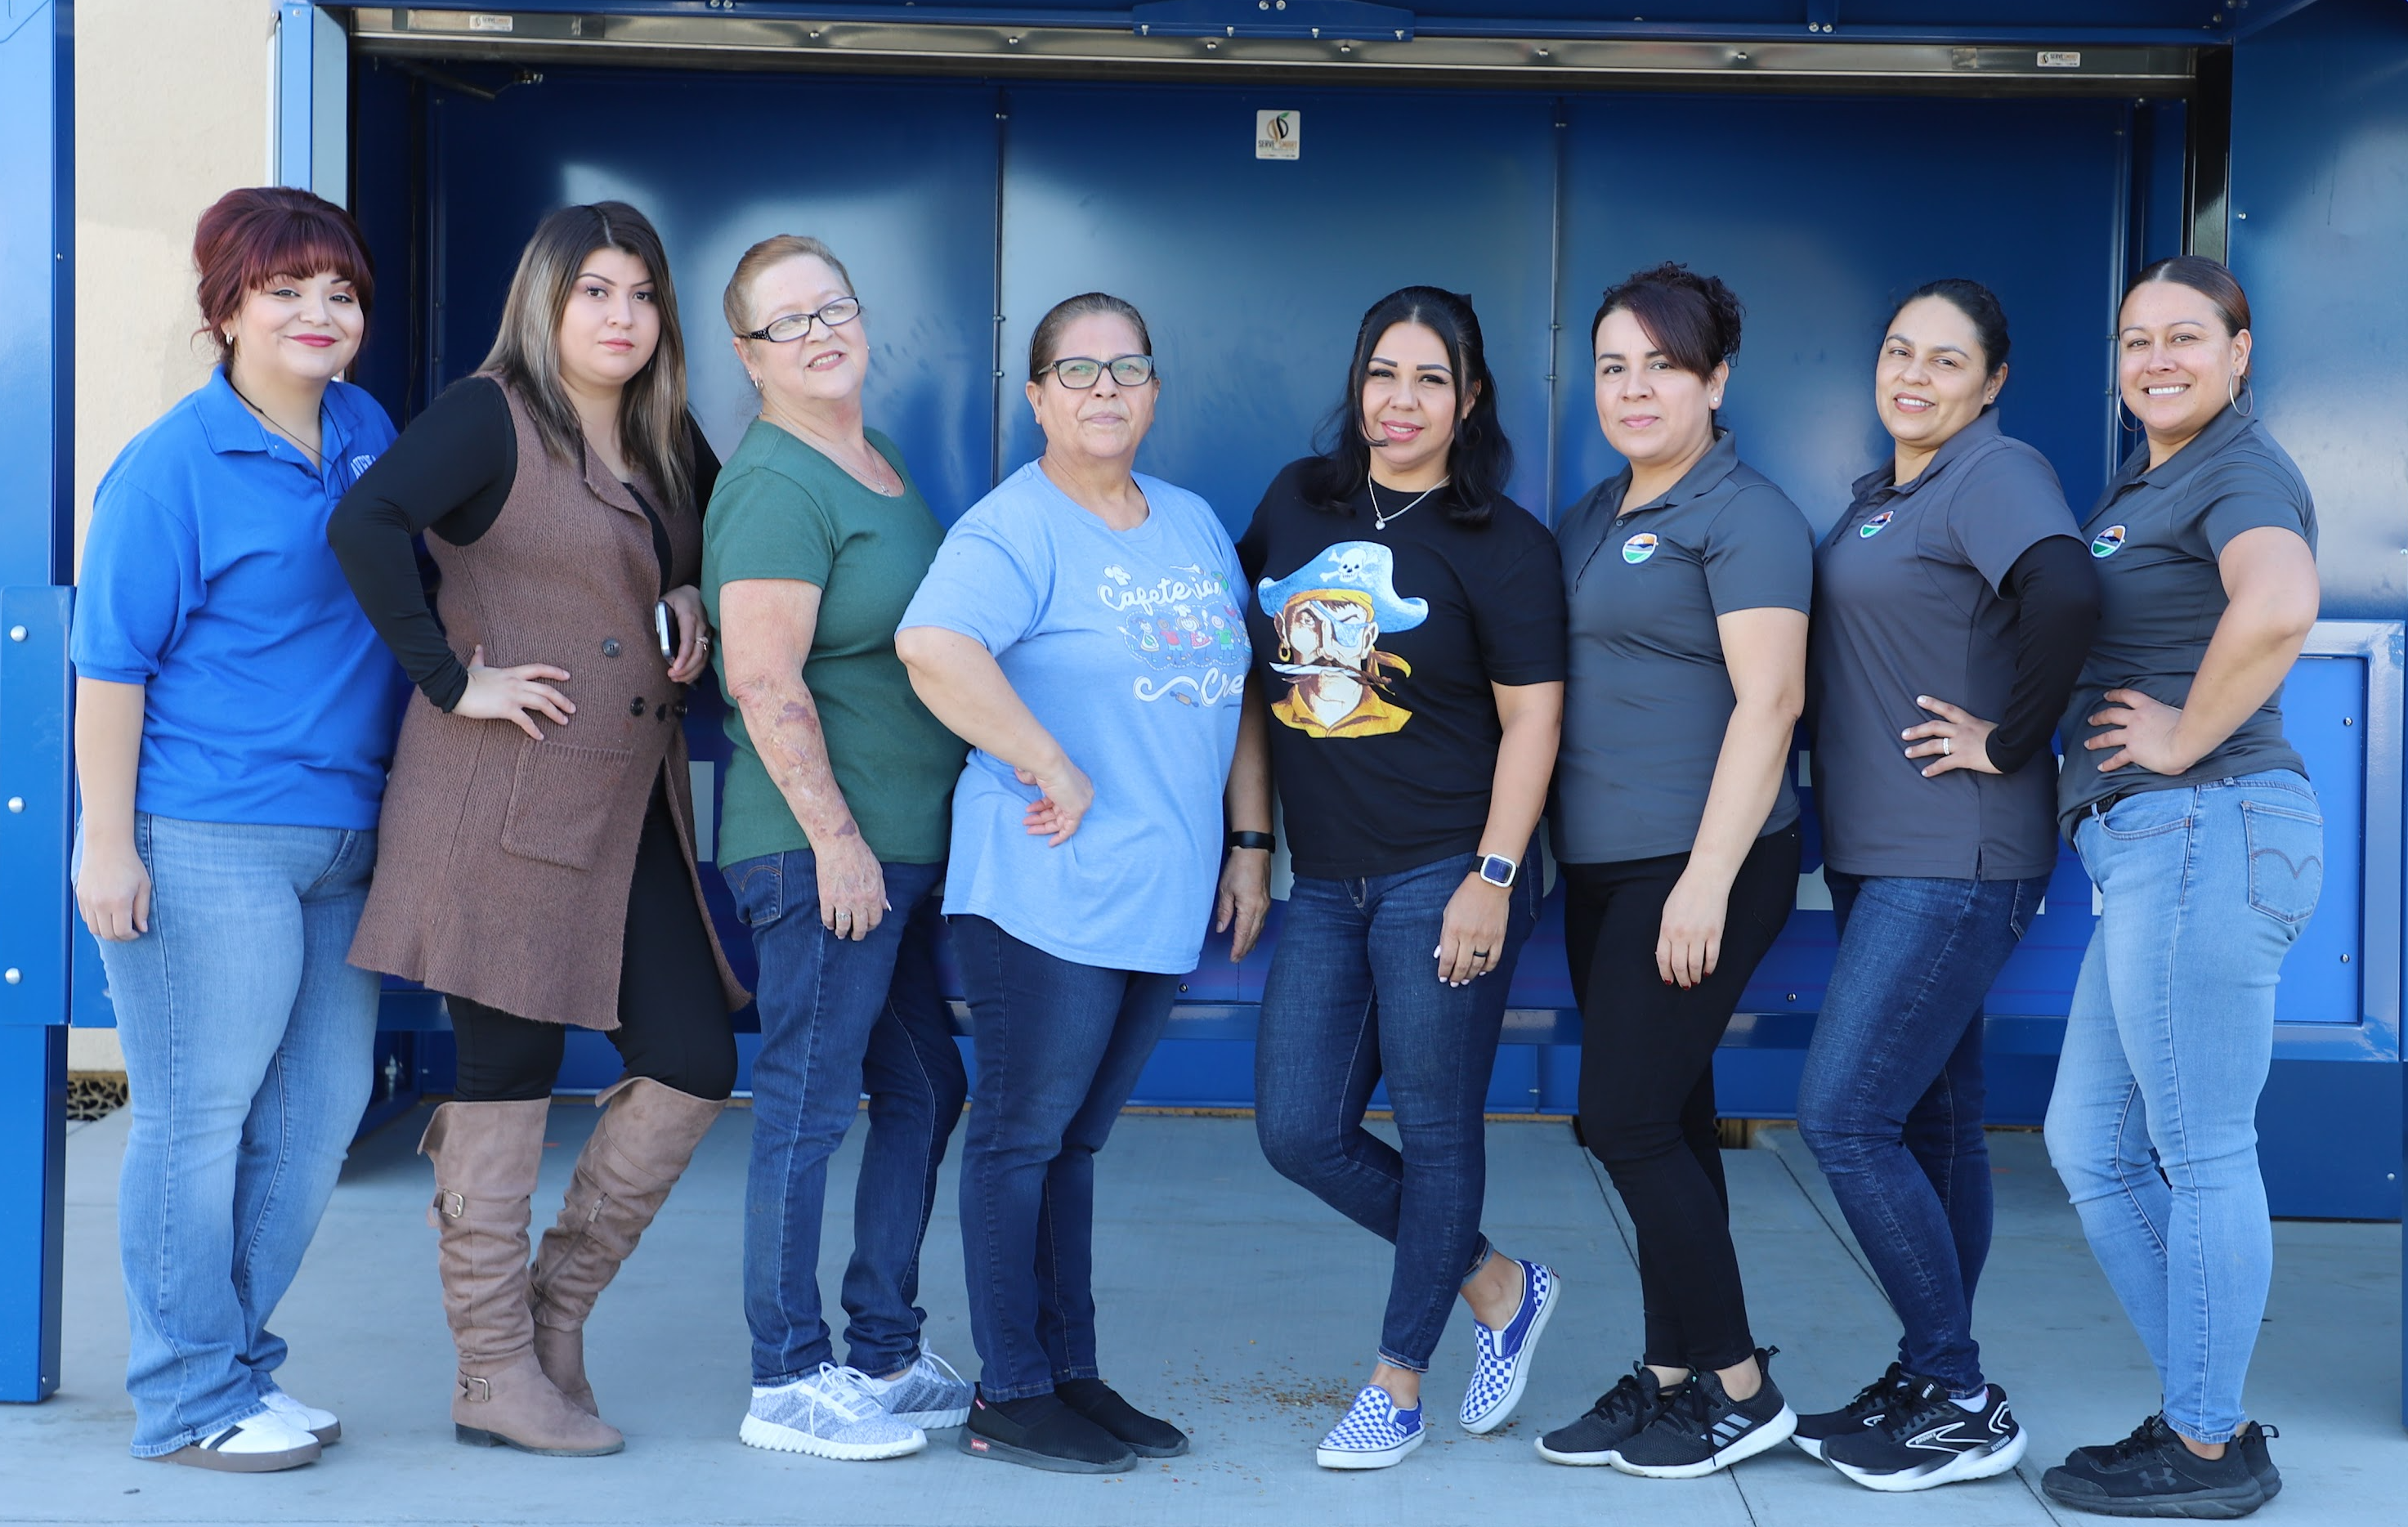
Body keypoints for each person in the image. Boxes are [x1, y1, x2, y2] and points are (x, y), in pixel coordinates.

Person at [329, 201, 747, 1458]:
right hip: (497, 804)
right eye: (594, 294)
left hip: (629, 809)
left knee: (692, 1059)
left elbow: (718, 552)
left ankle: (550, 1320)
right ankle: (491, 1375)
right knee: (506, 1074)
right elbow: (366, 525)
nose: (621, 318)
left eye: (640, 294)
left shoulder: (670, 438)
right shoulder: (488, 415)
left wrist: (688, 590)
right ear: (545, 305)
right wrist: (454, 680)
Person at [895, 292, 1269, 1475]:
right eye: (1076, 369)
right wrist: (1045, 759)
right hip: (1044, 886)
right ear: (1037, 397)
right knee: (1020, 1138)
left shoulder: (1195, 523)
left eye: (1126, 367)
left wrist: (1249, 844)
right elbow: (932, 646)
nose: (1103, 388)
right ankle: (1010, 1392)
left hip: (1160, 890)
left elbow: (1239, 689)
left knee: (1073, 1146)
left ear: (1154, 390)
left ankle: (1070, 1374)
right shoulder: (1015, 529)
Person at [69, 186, 403, 1474]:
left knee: (314, 1121)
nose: (321, 314)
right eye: (287, 291)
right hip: (203, 833)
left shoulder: (366, 429)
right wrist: (108, 844)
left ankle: (233, 1364)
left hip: (346, 835)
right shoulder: (172, 465)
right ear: (227, 309)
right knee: (198, 1121)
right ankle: (189, 1395)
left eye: (341, 291)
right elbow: (111, 667)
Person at [1238, 287, 1567, 1471]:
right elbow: (1251, 683)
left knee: (1434, 1129)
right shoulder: (1295, 501)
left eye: (1429, 379)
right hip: (1326, 880)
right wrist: (1249, 843)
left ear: (1468, 399)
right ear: (1356, 384)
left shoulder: (1504, 544)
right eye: (1383, 373)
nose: (1400, 400)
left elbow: (1533, 724)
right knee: (1296, 1129)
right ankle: (1496, 1282)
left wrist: (1492, 873)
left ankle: (1396, 1379)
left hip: (1446, 868)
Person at [1790, 280, 2099, 1490]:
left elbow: (2068, 591)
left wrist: (2010, 742)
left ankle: (1959, 1391)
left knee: (1843, 1115)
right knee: (1934, 1116)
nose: (1913, 375)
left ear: (1991, 381)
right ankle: (1929, 1379)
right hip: (1886, 853)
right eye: (1897, 352)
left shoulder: (1993, 471)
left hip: (1953, 855)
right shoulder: (1888, 495)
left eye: (1945, 360)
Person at [2038, 256, 2321, 1521]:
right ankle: (2209, 1414)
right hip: (2160, 844)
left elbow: (2279, 604)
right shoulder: (2154, 476)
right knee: (2087, 1145)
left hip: (2203, 823)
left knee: (2199, 1152)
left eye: (2185, 337)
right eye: (2135, 339)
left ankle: (2205, 1449)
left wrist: (2178, 738)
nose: (2156, 359)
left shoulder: (2239, 468)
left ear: (2239, 351)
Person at [1535, 262, 1811, 1479]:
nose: (1633, 387)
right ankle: (1664, 1376)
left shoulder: (1743, 514)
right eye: (1612, 365)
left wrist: (1703, 881)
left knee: (1624, 1116)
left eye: (1660, 364)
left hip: (1703, 860)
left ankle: (1742, 1388)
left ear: (1715, 380)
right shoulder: (1592, 514)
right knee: (1674, 1121)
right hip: (1600, 868)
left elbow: (1770, 700)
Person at [700, 235, 973, 1461]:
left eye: (835, 308)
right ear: (747, 356)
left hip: (898, 853)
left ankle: (884, 1350)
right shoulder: (774, 484)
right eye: (786, 322)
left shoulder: (874, 462)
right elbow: (763, 681)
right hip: (822, 857)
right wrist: (837, 844)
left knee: (926, 1087)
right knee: (809, 1109)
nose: (819, 333)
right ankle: (785, 1376)